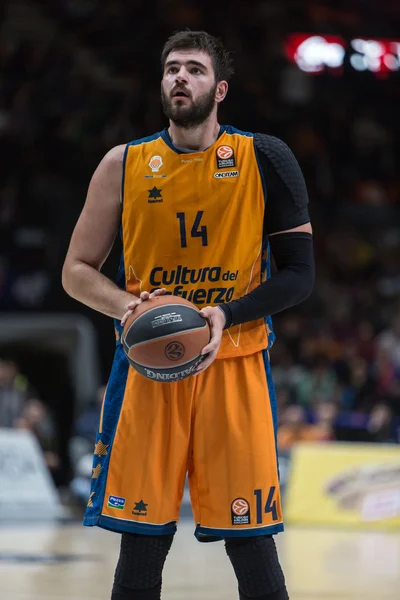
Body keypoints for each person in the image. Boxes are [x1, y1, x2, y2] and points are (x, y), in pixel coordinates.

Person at [62, 30, 314, 600]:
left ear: (219, 88)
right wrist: (130, 307)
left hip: (234, 364)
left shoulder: (264, 157)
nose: (181, 77)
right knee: (141, 542)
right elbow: (75, 269)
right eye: (172, 68)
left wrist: (226, 313)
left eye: (195, 69)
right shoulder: (123, 163)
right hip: (149, 370)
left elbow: (300, 276)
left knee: (251, 542)